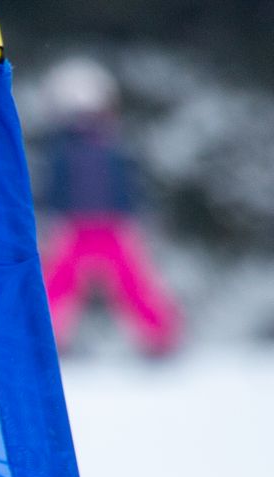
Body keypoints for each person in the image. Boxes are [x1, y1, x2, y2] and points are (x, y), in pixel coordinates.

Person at [37, 56, 182, 358]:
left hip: (110, 225)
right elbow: (56, 188)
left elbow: (128, 185)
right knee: (59, 285)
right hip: (76, 226)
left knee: (131, 284)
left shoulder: (111, 144)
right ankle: (42, 337)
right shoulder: (67, 148)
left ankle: (161, 339)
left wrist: (136, 215)